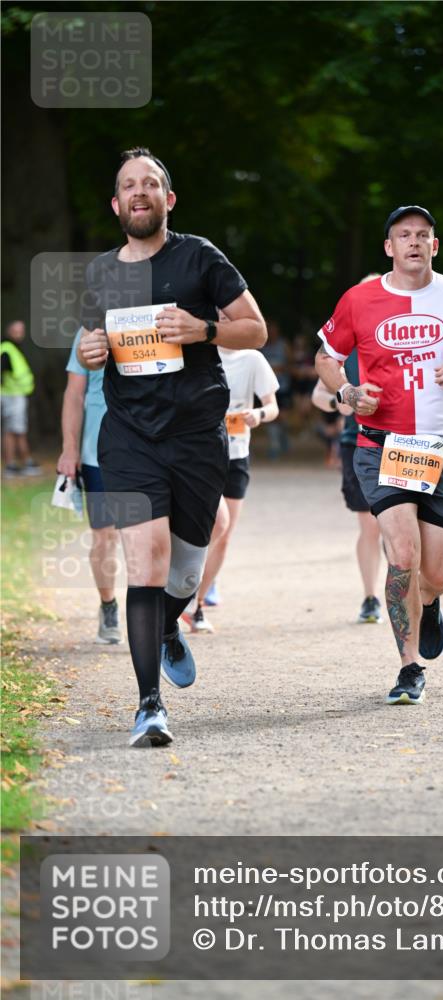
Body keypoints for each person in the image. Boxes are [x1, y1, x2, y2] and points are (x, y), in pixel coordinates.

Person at [77, 147, 266, 747]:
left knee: (189, 561)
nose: (140, 192)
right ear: (116, 204)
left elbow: (256, 328)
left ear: (168, 199)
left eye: (151, 184)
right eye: (129, 185)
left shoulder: (200, 255)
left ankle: (165, 629)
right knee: (146, 561)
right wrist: (89, 351)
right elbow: (88, 340)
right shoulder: (102, 273)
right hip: (129, 436)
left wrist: (204, 329)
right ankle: (148, 707)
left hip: (195, 435)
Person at [315, 206, 443, 705]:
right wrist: (349, 394)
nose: (414, 242)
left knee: (436, 573)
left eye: (423, 235)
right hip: (383, 447)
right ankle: (409, 667)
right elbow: (325, 359)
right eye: (404, 235)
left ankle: (431, 600)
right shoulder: (360, 299)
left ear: (435, 246)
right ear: (389, 247)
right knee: (402, 554)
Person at [182, 338, 279, 632]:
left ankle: (196, 605)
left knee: (224, 535)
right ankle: (181, 590)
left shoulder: (252, 359)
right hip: (201, 455)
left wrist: (258, 415)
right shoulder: (197, 353)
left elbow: (272, 406)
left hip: (236, 455)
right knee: (207, 527)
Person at [57, 328, 122, 643]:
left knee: (156, 537)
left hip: (150, 451)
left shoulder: (153, 318)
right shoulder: (88, 332)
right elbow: (74, 393)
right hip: (97, 454)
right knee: (106, 537)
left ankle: (158, 613)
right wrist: (70, 449)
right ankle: (108, 606)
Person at [312, 351, 384, 625]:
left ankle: (411, 594)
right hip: (358, 443)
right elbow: (318, 395)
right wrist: (338, 400)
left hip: (400, 441)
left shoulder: (402, 342)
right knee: (371, 526)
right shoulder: (345, 352)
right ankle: (370, 597)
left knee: (401, 525)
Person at [1, 320, 42, 477]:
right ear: (9, 331)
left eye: (22, 331)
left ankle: (17, 463)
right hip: (12, 396)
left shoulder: (13, 348)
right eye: (17, 331)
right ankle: (22, 462)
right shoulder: (7, 349)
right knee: (15, 430)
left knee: (14, 429)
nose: (20, 334)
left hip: (15, 395)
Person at [261, 320, 291, 459]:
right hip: (267, 387)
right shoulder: (261, 346)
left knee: (282, 417)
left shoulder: (283, 345)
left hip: (283, 385)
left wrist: (279, 368)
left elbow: (291, 365)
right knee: (271, 417)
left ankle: (283, 437)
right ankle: (274, 446)